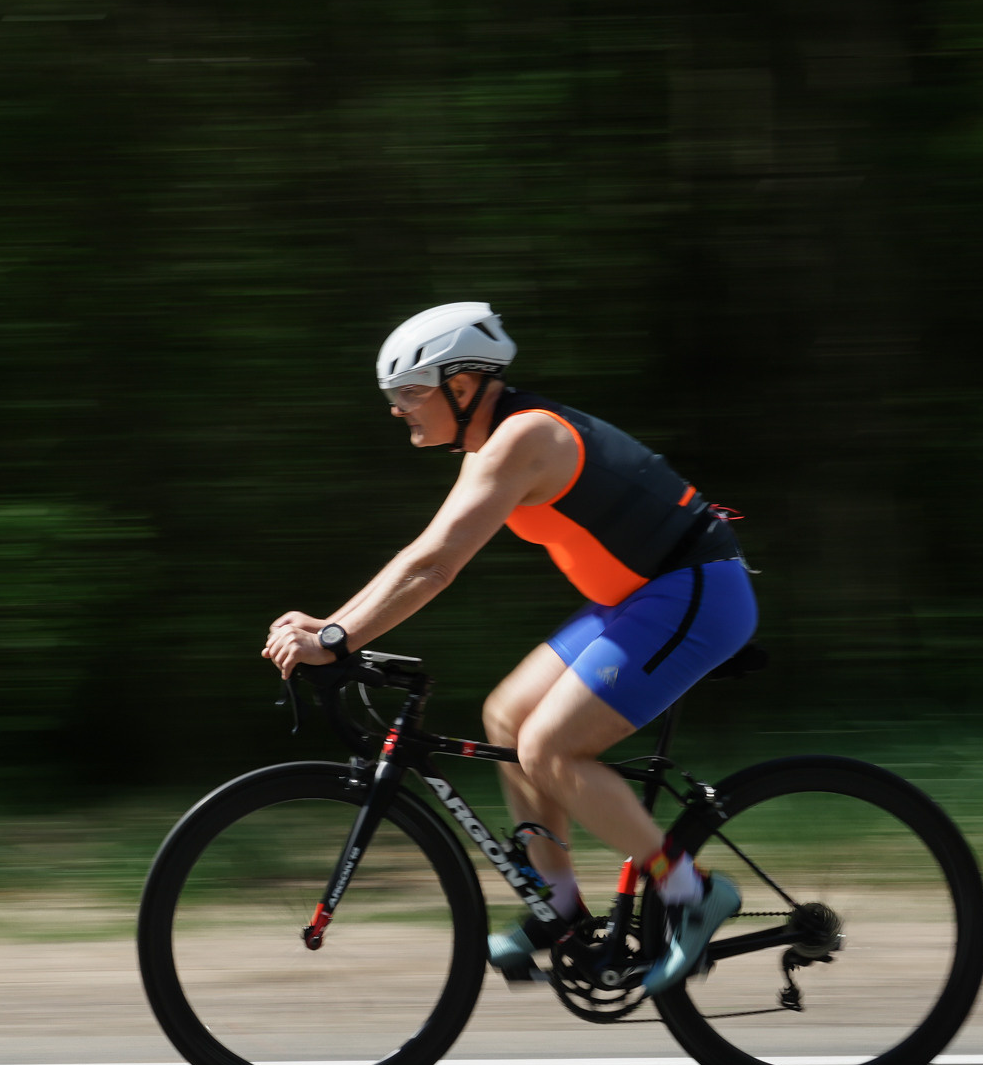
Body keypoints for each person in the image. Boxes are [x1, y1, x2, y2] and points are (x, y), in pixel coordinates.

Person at [261, 304, 757, 995]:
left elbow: (435, 565)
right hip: (637, 599)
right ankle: (558, 906)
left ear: (462, 387)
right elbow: (421, 555)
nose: (398, 410)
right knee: (507, 717)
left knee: (549, 747)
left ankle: (691, 892)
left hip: (696, 590)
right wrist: (329, 628)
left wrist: (336, 638)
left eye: (409, 392)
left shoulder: (523, 439)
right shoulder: (491, 442)